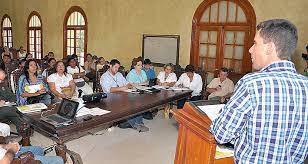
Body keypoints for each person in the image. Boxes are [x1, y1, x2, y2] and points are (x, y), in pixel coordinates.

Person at [210, 19, 308, 163]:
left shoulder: (252, 83)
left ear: (269, 47)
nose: (250, 49)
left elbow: (221, 133)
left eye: (255, 43)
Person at [100, 59, 149, 132]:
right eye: (115, 67)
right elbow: (108, 90)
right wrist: (122, 88)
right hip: (110, 97)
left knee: (137, 100)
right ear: (110, 66)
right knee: (130, 103)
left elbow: (126, 83)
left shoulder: (119, 74)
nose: (117, 69)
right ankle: (134, 123)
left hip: (122, 94)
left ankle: (138, 122)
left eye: (118, 68)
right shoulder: (105, 76)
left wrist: (130, 85)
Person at [0, 64, 23, 133]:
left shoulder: (2, 85)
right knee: (11, 111)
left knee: (13, 114)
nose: (0, 82)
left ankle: (24, 136)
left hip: (6, 107)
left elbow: (12, 96)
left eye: (2, 80)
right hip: (4, 109)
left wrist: (7, 101)